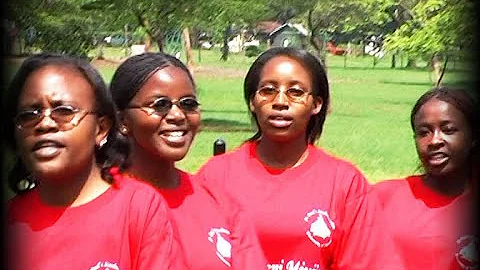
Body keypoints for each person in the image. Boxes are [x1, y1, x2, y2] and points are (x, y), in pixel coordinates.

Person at [196, 47, 394, 269]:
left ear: (317, 104)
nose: (280, 101)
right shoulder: (215, 176)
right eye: (268, 90)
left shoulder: (346, 183)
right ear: (253, 101)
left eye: (296, 92)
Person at [4, 53, 186, 270]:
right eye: (29, 115)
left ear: (101, 129)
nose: (45, 124)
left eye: (63, 111)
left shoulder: (138, 209)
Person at [108, 51, 267, 269]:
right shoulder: (100, 202)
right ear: (122, 120)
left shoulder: (220, 204)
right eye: (160, 104)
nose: (177, 115)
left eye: (188, 104)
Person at [373, 87, 479, 269]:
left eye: (448, 130)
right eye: (424, 132)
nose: (434, 140)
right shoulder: (382, 197)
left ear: (473, 136)